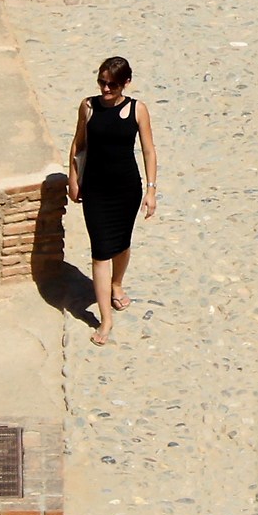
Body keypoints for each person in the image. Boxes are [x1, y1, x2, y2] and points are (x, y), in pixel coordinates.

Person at [68, 55, 157, 345]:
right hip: (95, 189)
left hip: (126, 189)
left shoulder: (137, 109)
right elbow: (78, 143)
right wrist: (73, 178)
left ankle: (116, 284)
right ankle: (106, 319)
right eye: (102, 82)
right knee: (100, 251)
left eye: (113, 85)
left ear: (126, 83)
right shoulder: (88, 106)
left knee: (121, 244)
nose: (106, 89)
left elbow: (148, 151)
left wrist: (151, 190)